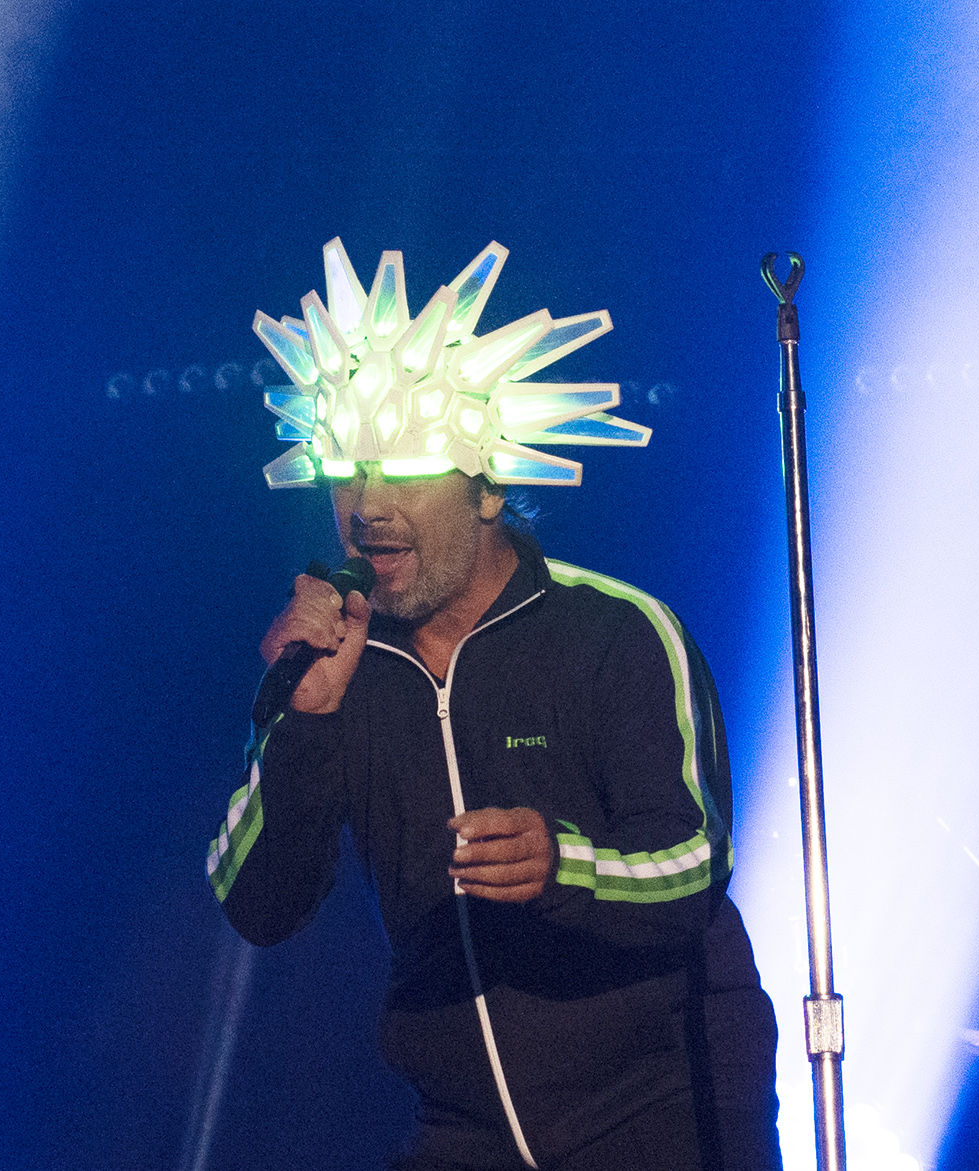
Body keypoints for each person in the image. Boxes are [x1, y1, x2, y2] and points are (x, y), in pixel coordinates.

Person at [205, 239, 782, 1170]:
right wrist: (304, 724)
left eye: (406, 467)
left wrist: (566, 865)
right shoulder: (334, 664)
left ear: (490, 486)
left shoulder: (615, 631)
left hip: (660, 1112)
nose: (367, 504)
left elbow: (694, 863)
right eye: (345, 470)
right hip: (460, 1126)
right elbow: (255, 903)